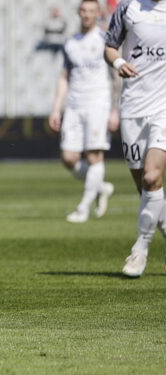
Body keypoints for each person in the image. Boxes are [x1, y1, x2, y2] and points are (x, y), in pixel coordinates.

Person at [104, 0, 166, 277]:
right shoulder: (128, 7)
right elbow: (109, 46)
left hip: (163, 108)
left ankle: (140, 250)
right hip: (133, 107)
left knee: (152, 177)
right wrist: (118, 61)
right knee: (145, 189)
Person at [48, 0, 118, 224]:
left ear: (98, 14)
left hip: (98, 103)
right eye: (83, 11)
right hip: (75, 105)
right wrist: (56, 108)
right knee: (68, 157)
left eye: (91, 11)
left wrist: (115, 109)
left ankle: (83, 208)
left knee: (94, 155)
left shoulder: (105, 39)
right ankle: (100, 187)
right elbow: (64, 76)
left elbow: (116, 77)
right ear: (79, 13)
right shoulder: (71, 42)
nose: (87, 15)